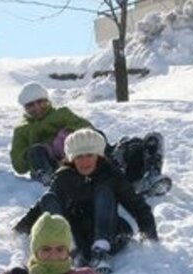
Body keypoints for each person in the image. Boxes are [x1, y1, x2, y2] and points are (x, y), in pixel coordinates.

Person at [13, 128, 158, 274]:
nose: (85, 161)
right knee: (48, 198)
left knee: (104, 191)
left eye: (90, 155)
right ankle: (71, 250)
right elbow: (44, 206)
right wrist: (20, 230)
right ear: (71, 159)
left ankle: (100, 251)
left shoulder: (111, 174)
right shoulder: (64, 177)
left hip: (111, 231)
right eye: (79, 157)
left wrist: (150, 235)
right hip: (78, 234)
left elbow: (136, 204)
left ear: (98, 156)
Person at [10, 81, 171, 197]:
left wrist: (68, 135)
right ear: (25, 108)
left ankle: (148, 177)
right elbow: (18, 165)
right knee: (36, 150)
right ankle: (52, 181)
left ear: (47, 100)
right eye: (30, 105)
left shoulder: (61, 113)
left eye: (40, 102)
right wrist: (43, 148)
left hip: (83, 152)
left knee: (143, 142)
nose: (37, 107)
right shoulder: (22, 130)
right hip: (60, 166)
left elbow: (86, 127)